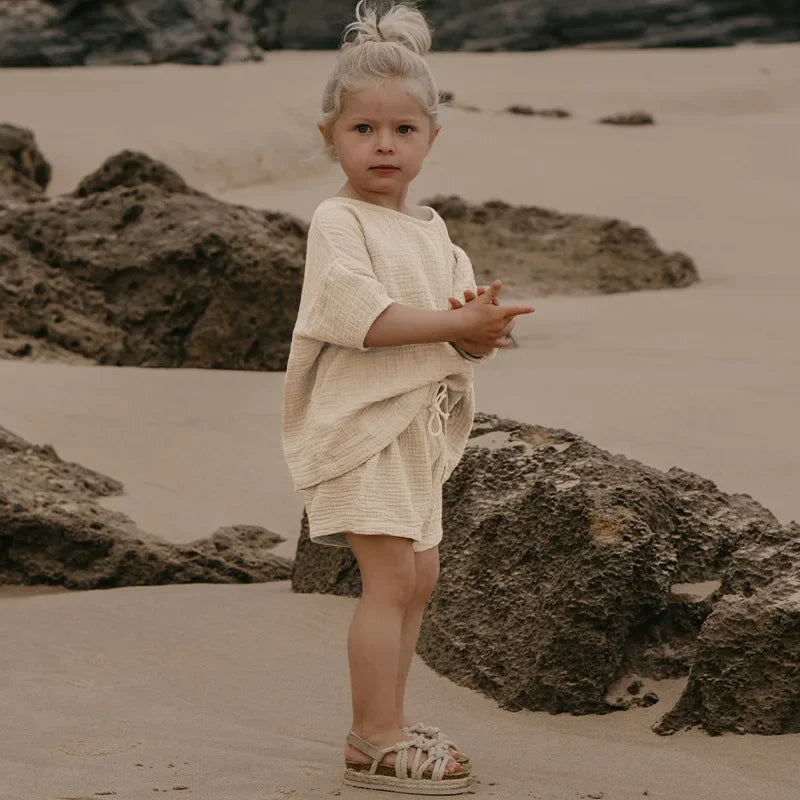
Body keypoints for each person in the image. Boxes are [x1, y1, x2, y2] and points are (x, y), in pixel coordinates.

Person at [281, 0, 534, 793]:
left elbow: (449, 331)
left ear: (430, 137)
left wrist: (480, 330)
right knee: (389, 580)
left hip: (415, 430)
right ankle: (375, 735)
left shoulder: (433, 229)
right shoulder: (338, 220)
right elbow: (364, 318)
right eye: (362, 130)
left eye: (401, 130)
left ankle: (388, 723)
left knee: (419, 579)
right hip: (361, 426)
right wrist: (450, 324)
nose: (382, 144)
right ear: (330, 138)